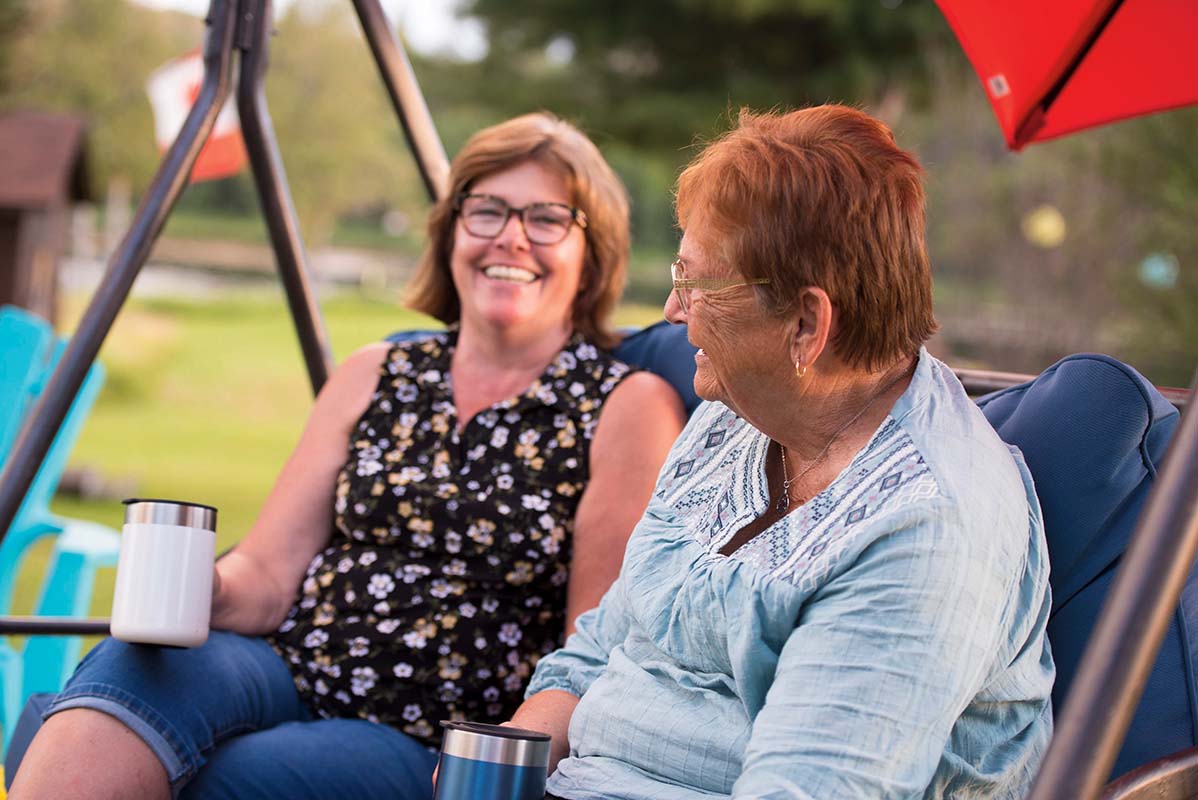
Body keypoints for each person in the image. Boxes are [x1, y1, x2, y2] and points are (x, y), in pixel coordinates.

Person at [8, 112, 686, 800]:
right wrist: (195, 590)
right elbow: (269, 574)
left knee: (224, 781)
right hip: (286, 663)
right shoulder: (377, 370)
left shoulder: (626, 406)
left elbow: (592, 644)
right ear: (452, 231)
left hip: (435, 732)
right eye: (487, 210)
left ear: (590, 252)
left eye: (546, 219)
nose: (510, 236)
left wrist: (500, 764)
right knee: (128, 672)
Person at [509, 105, 1055, 799]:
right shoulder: (738, 415)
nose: (673, 312)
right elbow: (602, 649)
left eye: (696, 284)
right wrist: (499, 767)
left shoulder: (924, 525)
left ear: (806, 324)